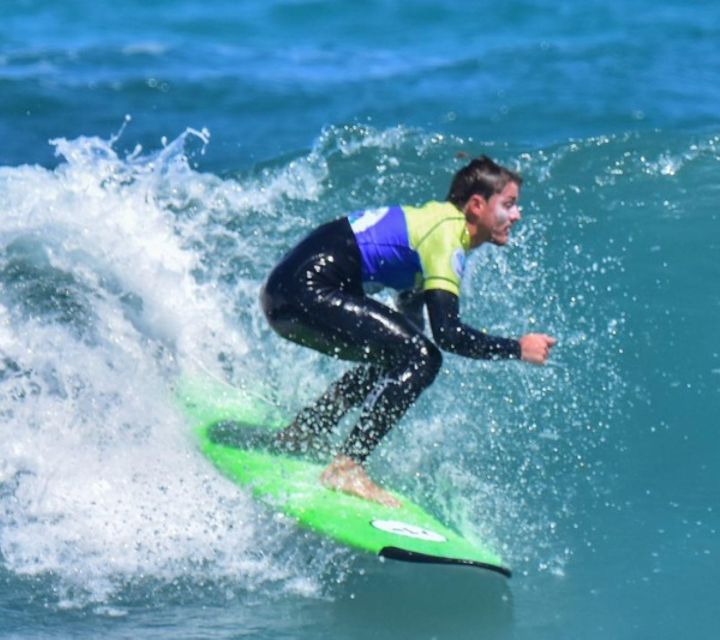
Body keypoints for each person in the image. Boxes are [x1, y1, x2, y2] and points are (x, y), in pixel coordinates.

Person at [260, 155, 556, 508]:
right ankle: (346, 467)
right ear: (477, 205)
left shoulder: (437, 225)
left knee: (401, 355)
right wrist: (517, 348)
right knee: (423, 358)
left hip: (287, 293)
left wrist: (407, 347)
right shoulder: (446, 234)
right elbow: (448, 335)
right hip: (305, 288)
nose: (517, 215)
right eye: (508, 205)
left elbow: (410, 309)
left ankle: (307, 432)